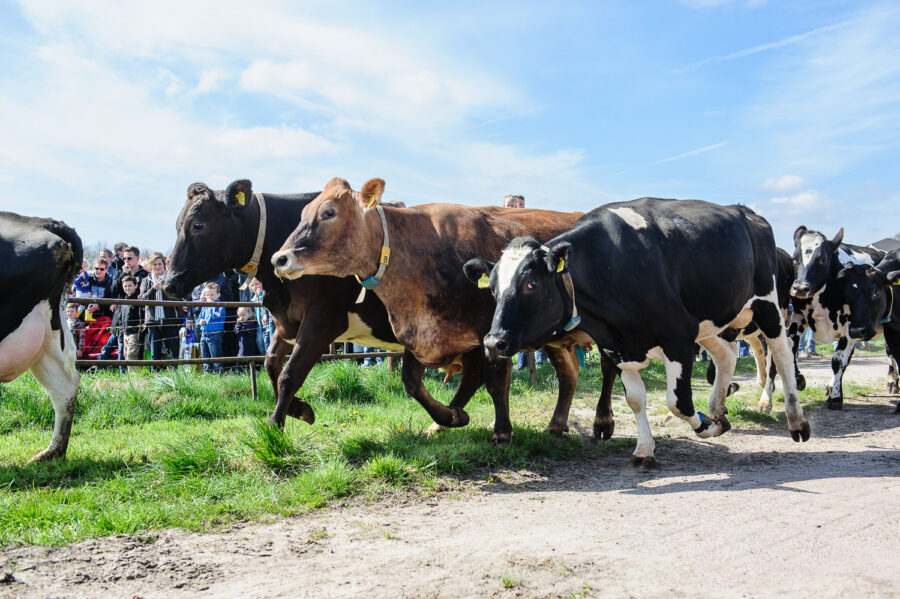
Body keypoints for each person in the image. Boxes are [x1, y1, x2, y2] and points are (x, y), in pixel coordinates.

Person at [139, 251, 180, 365]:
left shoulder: (171, 279)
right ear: (151, 266)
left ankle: (175, 375)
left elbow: (178, 297)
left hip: (170, 318)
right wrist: (153, 289)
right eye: (154, 264)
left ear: (164, 265)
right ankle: (155, 375)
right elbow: (141, 299)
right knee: (155, 351)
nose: (157, 267)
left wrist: (164, 289)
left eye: (160, 264)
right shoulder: (146, 281)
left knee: (174, 349)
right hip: (153, 320)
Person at [110, 275, 143, 370]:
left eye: (130, 286)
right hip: (124, 332)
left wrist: (140, 331)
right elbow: (121, 318)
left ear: (136, 286)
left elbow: (141, 315)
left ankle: (134, 376)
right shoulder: (124, 300)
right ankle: (130, 375)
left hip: (134, 331)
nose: (127, 288)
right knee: (125, 354)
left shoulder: (138, 299)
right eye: (125, 286)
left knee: (132, 354)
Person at [197, 282, 225, 373]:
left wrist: (211, 305)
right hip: (204, 333)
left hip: (214, 334)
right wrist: (200, 321)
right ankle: (207, 374)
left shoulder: (219, 306)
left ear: (218, 295)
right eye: (207, 294)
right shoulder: (205, 305)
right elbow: (200, 316)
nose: (209, 297)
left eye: (212, 295)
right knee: (205, 357)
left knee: (216, 357)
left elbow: (216, 315)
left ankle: (218, 374)